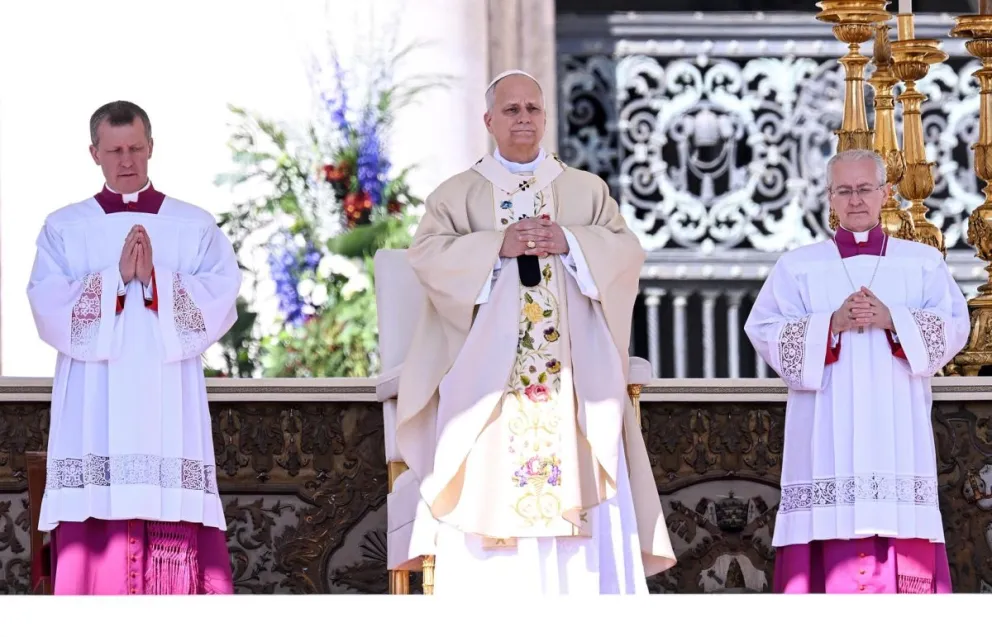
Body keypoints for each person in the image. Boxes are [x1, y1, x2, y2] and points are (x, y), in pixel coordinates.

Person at [387, 69, 676, 595]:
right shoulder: (456, 194)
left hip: (573, 373)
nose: (524, 119)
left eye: (533, 109)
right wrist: (495, 247)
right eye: (513, 110)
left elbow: (626, 250)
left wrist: (571, 241)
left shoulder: (585, 189)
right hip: (488, 377)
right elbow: (426, 256)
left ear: (545, 117)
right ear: (489, 120)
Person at [26, 101, 241, 594]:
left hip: (169, 393)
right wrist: (116, 282)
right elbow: (46, 305)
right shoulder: (65, 227)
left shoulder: (193, 225)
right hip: (94, 401)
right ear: (94, 153)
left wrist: (160, 283)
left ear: (151, 148)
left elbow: (220, 295)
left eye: (136, 149)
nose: (127, 160)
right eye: (115, 150)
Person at [744, 148, 970, 593]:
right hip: (825, 430)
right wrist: (831, 324)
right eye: (844, 190)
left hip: (897, 435)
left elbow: (954, 328)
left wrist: (892, 319)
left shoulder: (921, 263)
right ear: (829, 198)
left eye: (865, 188)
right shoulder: (798, 267)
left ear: (886, 193)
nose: (855, 199)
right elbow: (764, 329)